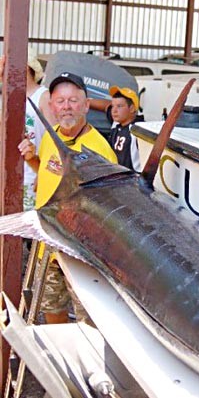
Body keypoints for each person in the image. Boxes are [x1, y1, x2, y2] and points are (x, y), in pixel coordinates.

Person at [18, 71, 117, 324]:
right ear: (51, 106)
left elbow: (109, 205)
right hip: (47, 243)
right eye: (60, 101)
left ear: (86, 105)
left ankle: (87, 362)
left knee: (88, 319)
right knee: (51, 307)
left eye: (73, 100)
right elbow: (46, 173)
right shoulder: (52, 137)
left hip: (81, 249)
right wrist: (31, 159)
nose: (66, 107)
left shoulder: (100, 148)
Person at [0, 49, 56, 211]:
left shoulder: (43, 97)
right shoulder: (9, 98)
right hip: (13, 175)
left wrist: (44, 171)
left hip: (34, 173)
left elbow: (55, 137)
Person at [107, 85, 142, 172]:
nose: (114, 110)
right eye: (112, 106)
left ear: (132, 108)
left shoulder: (137, 132)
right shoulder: (116, 124)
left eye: (119, 106)